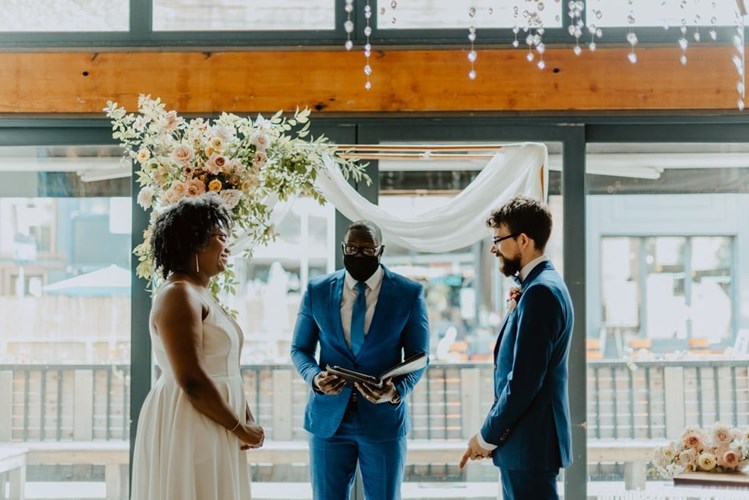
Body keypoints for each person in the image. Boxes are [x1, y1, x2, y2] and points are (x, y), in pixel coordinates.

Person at [131, 193, 264, 500]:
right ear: (194, 242)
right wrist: (240, 427)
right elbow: (192, 379)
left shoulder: (200, 293)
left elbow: (228, 367)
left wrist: (246, 417)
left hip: (218, 416)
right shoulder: (178, 294)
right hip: (192, 416)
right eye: (220, 237)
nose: (227, 246)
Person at [290, 220, 430, 500]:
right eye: (352, 249)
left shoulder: (408, 293)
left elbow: (419, 358)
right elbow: (300, 349)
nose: (358, 256)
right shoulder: (317, 290)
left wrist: (396, 391)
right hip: (328, 420)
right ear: (343, 248)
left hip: (383, 420)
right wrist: (315, 378)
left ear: (381, 251)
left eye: (367, 251)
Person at [459, 195, 574, 500]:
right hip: (527, 444)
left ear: (523, 240)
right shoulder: (541, 285)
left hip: (530, 443)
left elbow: (524, 380)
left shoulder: (540, 293)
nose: (494, 248)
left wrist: (486, 436)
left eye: (498, 239)